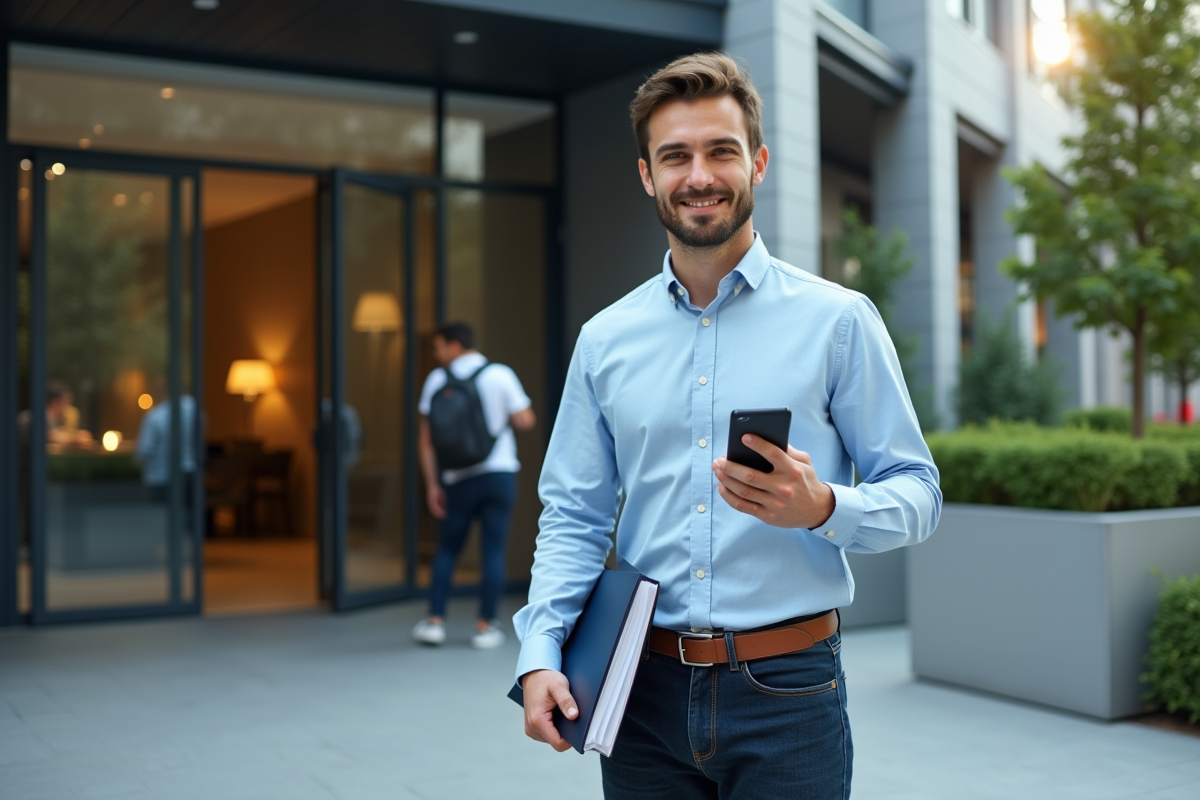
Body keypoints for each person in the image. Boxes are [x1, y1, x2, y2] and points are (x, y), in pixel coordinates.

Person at [513, 53, 941, 799]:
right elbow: (575, 515)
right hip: (638, 693)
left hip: (789, 693)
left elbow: (919, 493)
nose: (699, 176)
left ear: (758, 163)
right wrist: (541, 650)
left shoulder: (838, 321)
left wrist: (824, 507)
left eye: (721, 151)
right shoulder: (605, 340)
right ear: (647, 175)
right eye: (675, 156)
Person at [413, 322, 536, 649]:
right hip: (498, 474)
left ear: (454, 345)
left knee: (448, 549)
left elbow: (426, 440)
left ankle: (435, 622)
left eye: (438, 347)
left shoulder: (437, 380)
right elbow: (526, 420)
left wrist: (432, 484)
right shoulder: (500, 374)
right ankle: (485, 626)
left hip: (457, 478)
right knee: (493, 549)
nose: (436, 355)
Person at [134, 379, 198, 504]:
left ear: (163, 390)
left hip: (161, 478)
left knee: (163, 514)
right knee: (188, 513)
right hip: (189, 475)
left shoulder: (156, 416)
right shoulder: (194, 409)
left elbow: (144, 451)